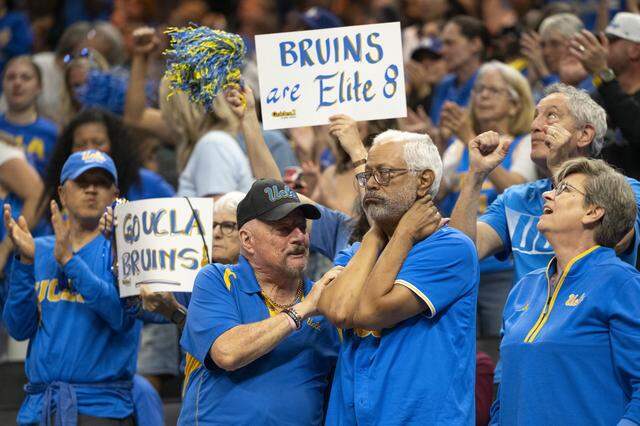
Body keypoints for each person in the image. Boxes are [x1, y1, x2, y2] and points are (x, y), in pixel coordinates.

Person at [318, 130, 480, 424]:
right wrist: (375, 235)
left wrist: (403, 235)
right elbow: (339, 310)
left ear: (424, 181)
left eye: (384, 173)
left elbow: (371, 311)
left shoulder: (451, 249)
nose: (370, 186)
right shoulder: (358, 250)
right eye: (367, 175)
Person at [178, 179, 339, 425]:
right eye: (284, 229)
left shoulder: (323, 302)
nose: (299, 237)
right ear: (247, 240)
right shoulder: (217, 280)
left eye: (302, 228)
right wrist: (300, 312)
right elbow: (227, 352)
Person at [491, 158, 640, 425]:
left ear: (594, 211)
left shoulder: (621, 283)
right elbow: (505, 397)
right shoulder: (524, 288)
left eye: (564, 190)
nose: (547, 193)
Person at [450, 83, 640, 289]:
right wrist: (475, 175)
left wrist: (560, 167)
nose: (535, 126)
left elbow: (619, 240)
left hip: (590, 317)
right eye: (535, 116)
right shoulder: (515, 199)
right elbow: (462, 251)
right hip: (526, 319)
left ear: (584, 135)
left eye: (552, 116)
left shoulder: (626, 190)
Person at [2, 150, 137, 425]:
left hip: (101, 409)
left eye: (101, 182)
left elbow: (120, 317)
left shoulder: (125, 250)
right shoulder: (37, 249)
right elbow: (17, 328)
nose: (91, 189)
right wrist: (26, 262)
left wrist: (68, 262)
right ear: (62, 193)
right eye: (82, 181)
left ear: (115, 195)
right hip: (39, 409)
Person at [439, 60, 537, 358]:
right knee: (458, 349)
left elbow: (516, 190)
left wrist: (469, 137)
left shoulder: (525, 144)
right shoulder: (458, 146)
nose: (481, 96)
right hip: (457, 263)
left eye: (492, 91)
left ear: (514, 103)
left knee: (499, 350)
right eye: (479, 90)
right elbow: (436, 192)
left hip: (502, 268)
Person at [570, 12, 640, 180]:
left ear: (635, 50)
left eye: (611, 41)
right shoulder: (600, 94)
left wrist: (602, 73)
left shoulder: (605, 85)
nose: (602, 48)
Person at [0, 55, 58, 177]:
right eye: (11, 77)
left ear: (39, 87)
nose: (17, 83)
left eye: (25, 78)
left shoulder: (53, 134)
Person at [430, 15, 488, 124]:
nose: (442, 50)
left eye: (450, 43)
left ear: (475, 44)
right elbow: (438, 130)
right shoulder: (443, 85)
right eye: (443, 44)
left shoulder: (493, 85)